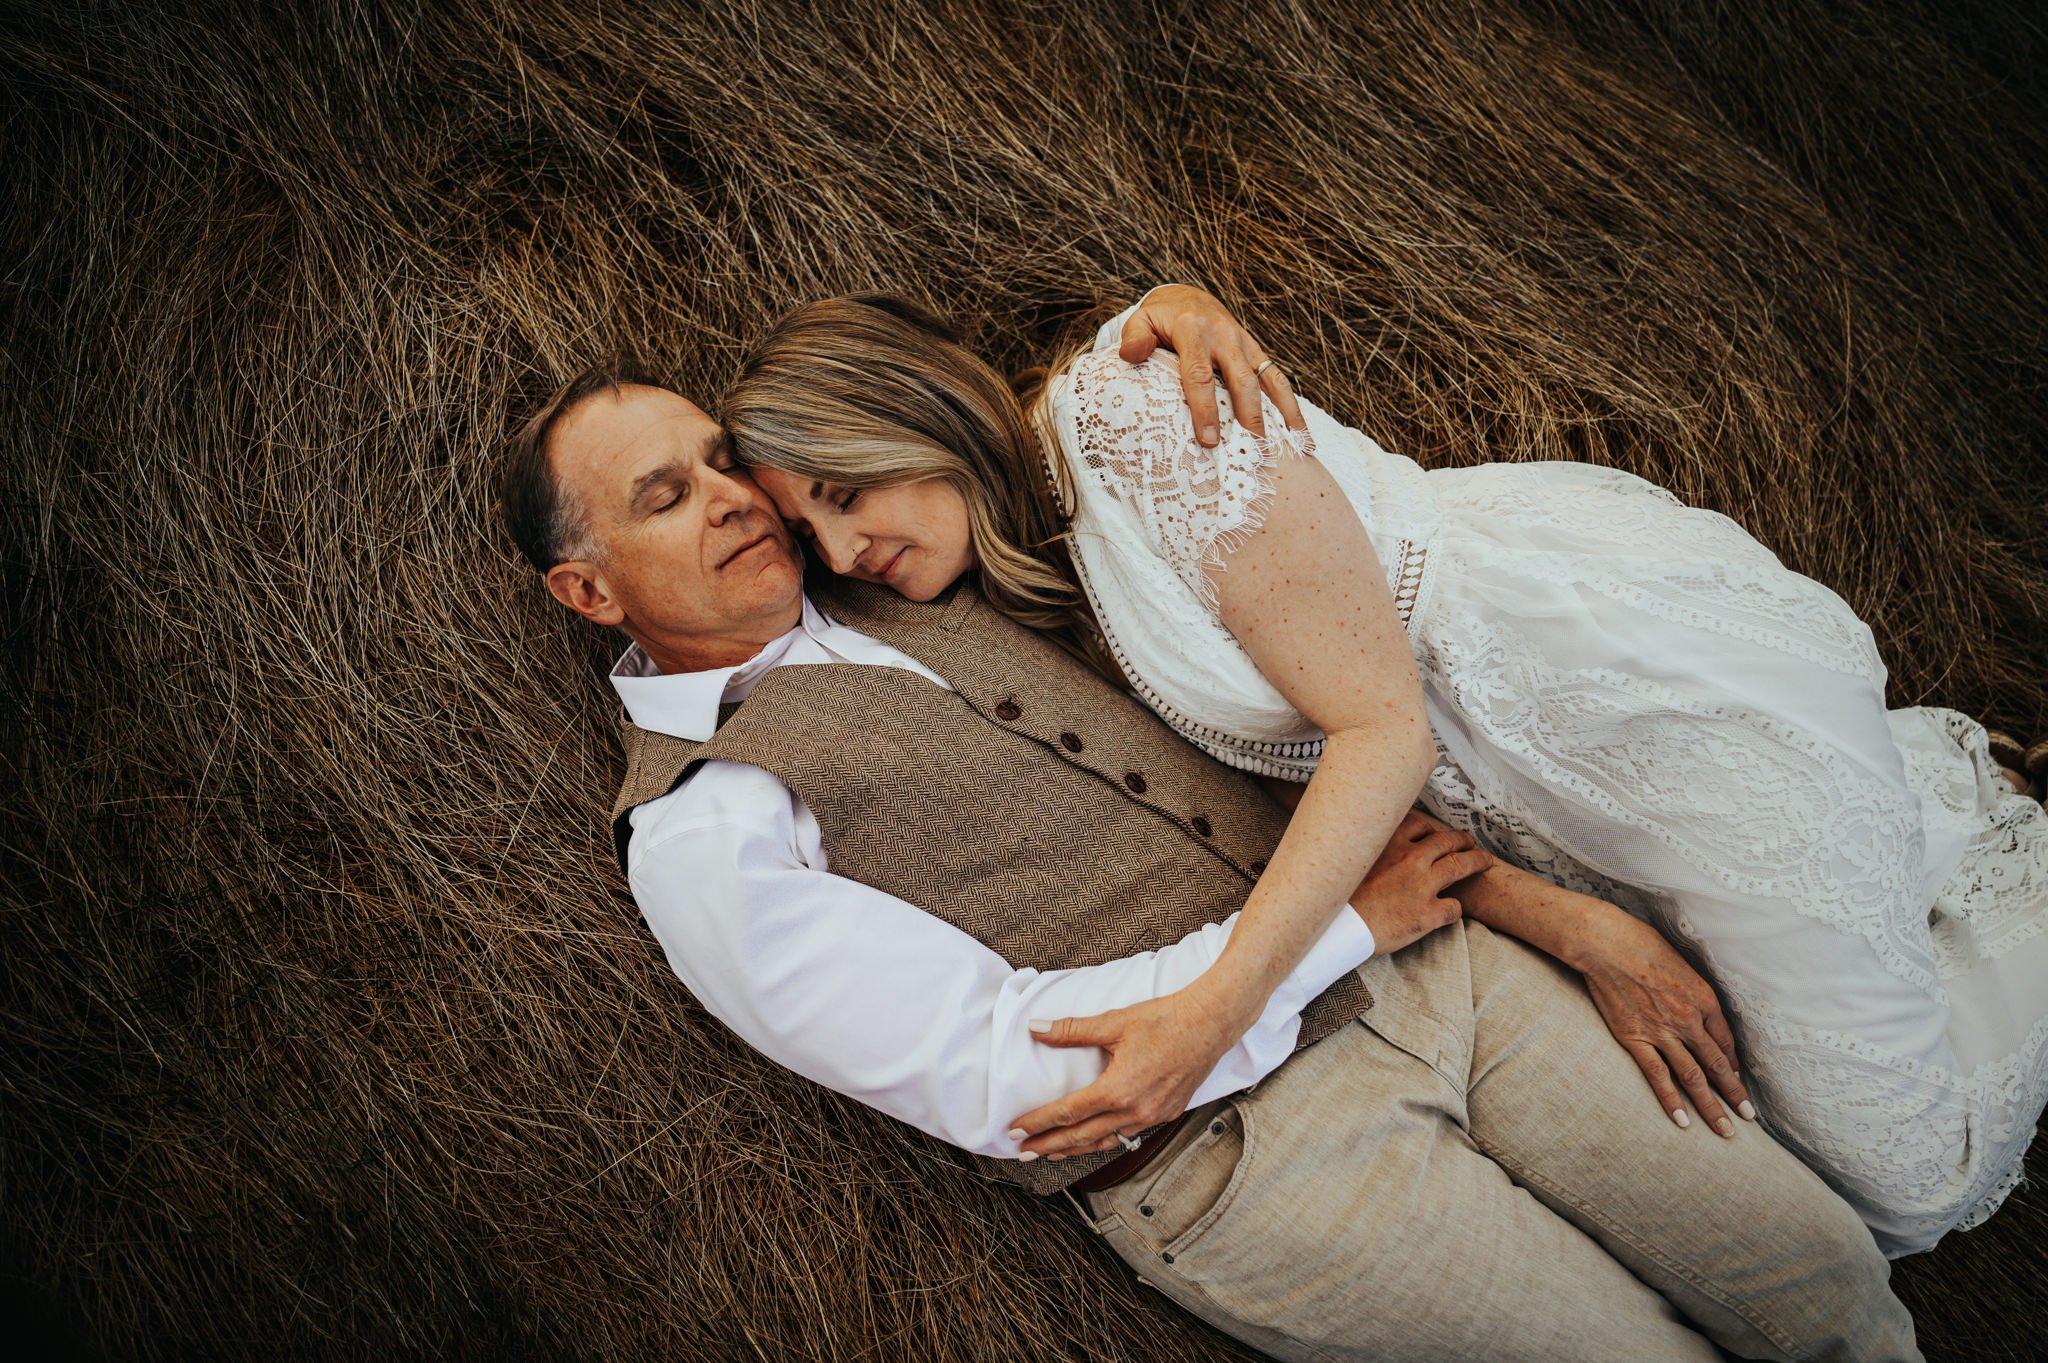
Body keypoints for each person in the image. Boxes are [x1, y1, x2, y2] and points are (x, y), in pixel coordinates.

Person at [499, 303, 1923, 1361]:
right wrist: (1335, 937)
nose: (737, 498)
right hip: (1254, 1164)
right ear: (589, 592)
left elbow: (1217, 641)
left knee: (1821, 1281)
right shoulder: (701, 832)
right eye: (664, 497)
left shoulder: (915, 551)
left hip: (1451, 983)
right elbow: (1013, 1080)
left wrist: (1157, 316)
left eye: (717, 459)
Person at [722, 286, 2048, 1259]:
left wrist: (1212, 1006)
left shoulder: (1135, 409)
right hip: (1505, 804)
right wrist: (1575, 926)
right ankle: (1951, 791)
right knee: (1782, 1151)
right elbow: (1309, 792)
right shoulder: (1022, 583)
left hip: (1615, 699)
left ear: (914, 412)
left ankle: (2022, 834)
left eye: (846, 490)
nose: (844, 550)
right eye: (806, 531)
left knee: (1901, 1189)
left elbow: (1378, 737)